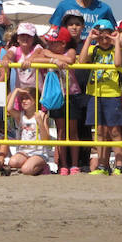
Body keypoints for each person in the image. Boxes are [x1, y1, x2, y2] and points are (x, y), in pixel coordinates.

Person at [77, 19, 122, 175]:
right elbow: (82, 60)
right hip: (95, 94)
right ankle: (103, 165)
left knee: (115, 131)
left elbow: (118, 63)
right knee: (100, 131)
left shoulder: (118, 49)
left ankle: (119, 165)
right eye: (101, 36)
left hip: (112, 94)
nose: (104, 39)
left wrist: (116, 41)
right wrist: (89, 39)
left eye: (107, 35)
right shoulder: (94, 49)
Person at [32, 26, 80, 174]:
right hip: (56, 96)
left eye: (53, 42)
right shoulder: (46, 52)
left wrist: (51, 56)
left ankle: (74, 164)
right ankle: (63, 164)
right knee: (61, 131)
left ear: (63, 43)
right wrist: (52, 58)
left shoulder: (69, 50)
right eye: (49, 42)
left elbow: (70, 59)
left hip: (71, 95)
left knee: (72, 131)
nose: (49, 45)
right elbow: (33, 59)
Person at [5, 86, 51, 175]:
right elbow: (9, 109)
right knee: (12, 162)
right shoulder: (21, 115)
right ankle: (29, 164)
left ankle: (43, 167)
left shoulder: (42, 115)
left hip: (39, 152)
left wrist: (40, 122)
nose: (24, 101)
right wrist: (16, 91)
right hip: (24, 151)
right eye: (22, 99)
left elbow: (46, 139)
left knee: (27, 170)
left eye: (27, 98)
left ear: (34, 100)